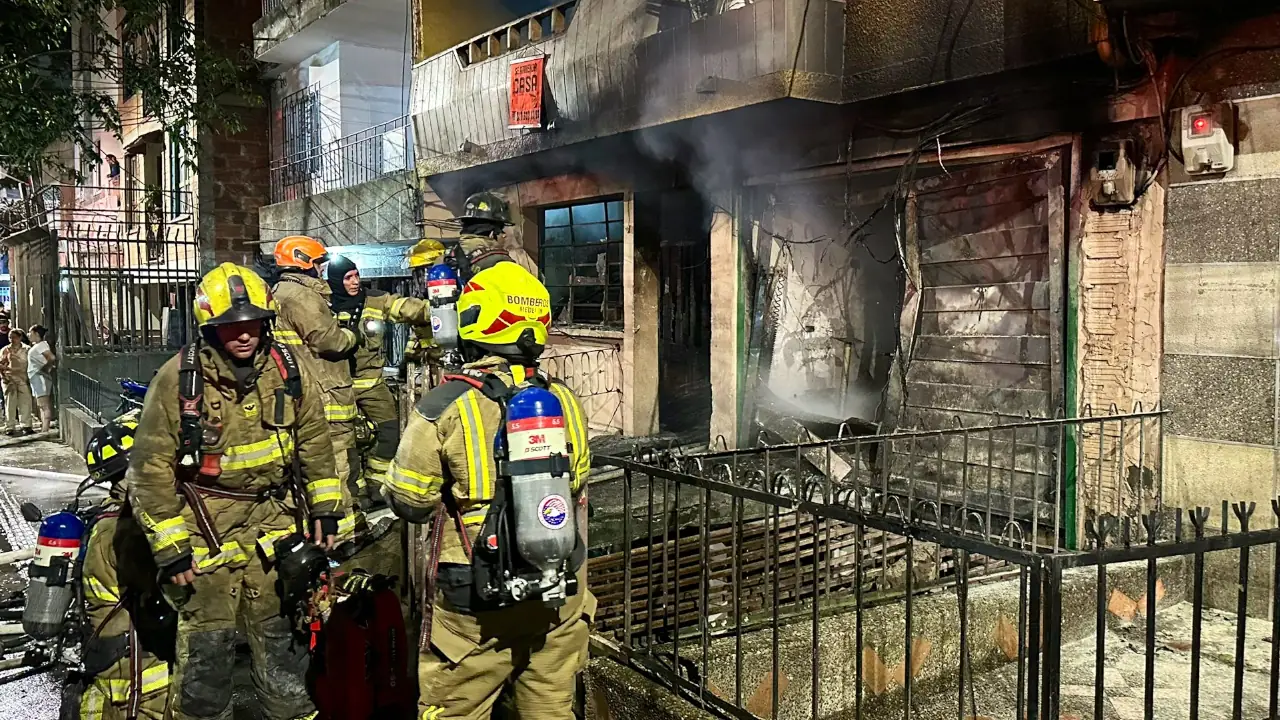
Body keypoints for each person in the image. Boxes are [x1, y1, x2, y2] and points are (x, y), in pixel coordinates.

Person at [127, 262, 343, 720]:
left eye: (252, 325)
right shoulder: (177, 382)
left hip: (274, 529)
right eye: (230, 327)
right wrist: (172, 549)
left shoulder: (287, 368)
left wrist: (325, 506)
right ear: (210, 328)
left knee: (282, 644)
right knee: (208, 654)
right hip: (206, 533)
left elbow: (315, 440)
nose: (243, 336)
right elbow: (149, 470)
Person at [382, 262, 594, 720]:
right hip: (558, 585)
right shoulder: (564, 400)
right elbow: (576, 481)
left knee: (456, 709)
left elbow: (410, 501)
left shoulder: (445, 404)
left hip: (477, 599)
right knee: (550, 709)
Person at [64, 415, 171, 720]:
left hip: (119, 663)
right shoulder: (125, 532)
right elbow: (172, 592)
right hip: (136, 676)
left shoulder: (112, 519)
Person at [269, 236, 367, 544]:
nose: (322, 271)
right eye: (318, 264)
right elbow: (330, 341)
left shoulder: (279, 292)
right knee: (336, 467)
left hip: (301, 392)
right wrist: (353, 336)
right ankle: (345, 539)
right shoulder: (302, 296)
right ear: (305, 264)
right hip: (325, 395)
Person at [449, 192, 539, 280]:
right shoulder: (499, 262)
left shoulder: (447, 256)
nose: (504, 236)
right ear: (492, 234)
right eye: (502, 232)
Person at [0, 329, 33, 434]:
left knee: (25, 401)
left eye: (14, 337)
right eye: (10, 337)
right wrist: (4, 376)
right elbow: (1, 364)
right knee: (10, 402)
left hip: (23, 377)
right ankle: (10, 426)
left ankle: (26, 425)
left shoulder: (27, 349)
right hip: (9, 379)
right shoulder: (5, 350)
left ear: (20, 338)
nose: (12, 340)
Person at [27, 324, 55, 433]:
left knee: (44, 405)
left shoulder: (41, 346)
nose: (29, 335)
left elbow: (51, 357)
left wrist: (45, 369)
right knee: (41, 405)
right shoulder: (39, 346)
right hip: (36, 378)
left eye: (31, 333)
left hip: (40, 378)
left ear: (36, 334)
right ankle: (44, 428)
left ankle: (45, 430)